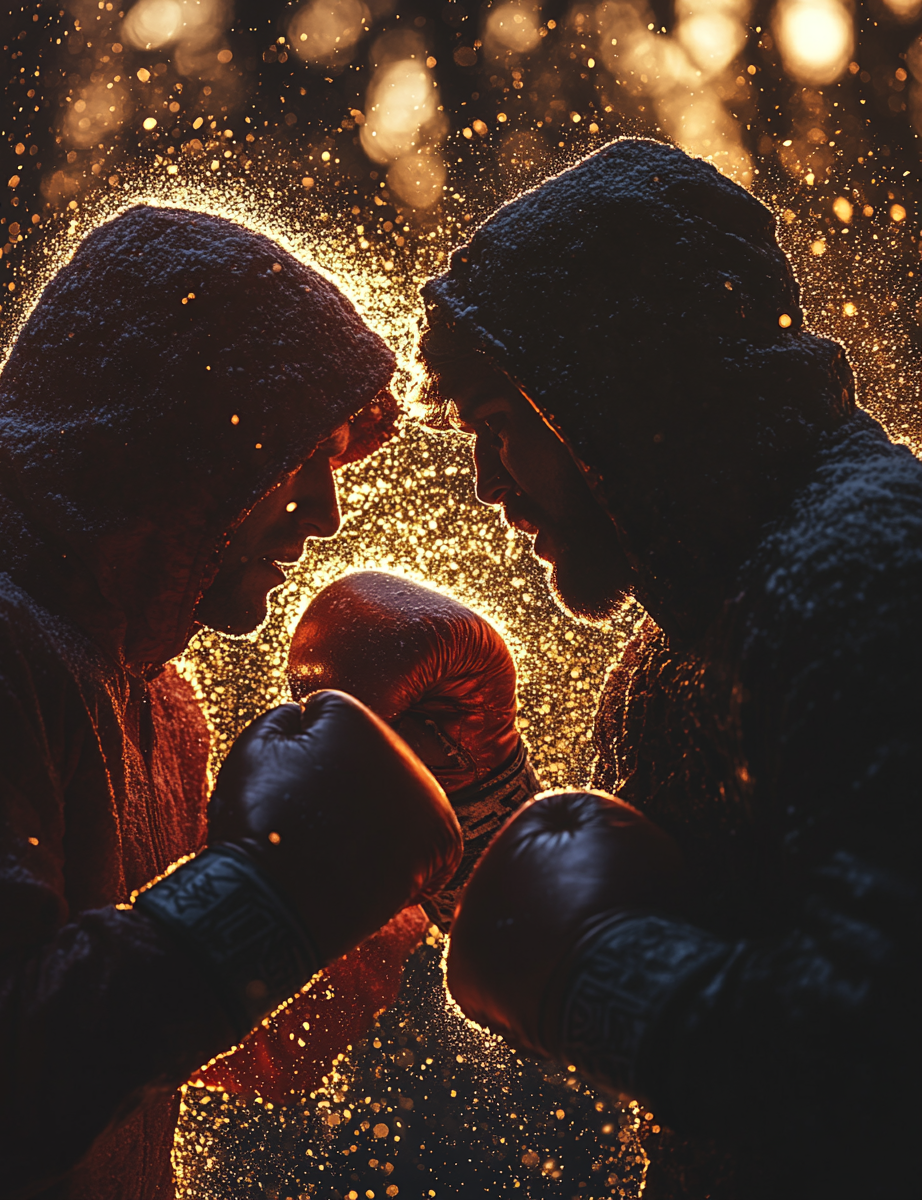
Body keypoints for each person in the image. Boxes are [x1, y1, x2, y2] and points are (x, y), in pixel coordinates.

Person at [298, 139, 922, 1199]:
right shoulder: (680, 633)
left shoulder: (865, 573)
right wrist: (481, 818)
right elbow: (663, 933)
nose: (491, 489)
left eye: (502, 427)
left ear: (618, 403)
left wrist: (596, 979)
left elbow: (880, 1048)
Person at [0, 203, 463, 1200]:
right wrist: (271, 889)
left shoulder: (152, 691)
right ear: (182, 437)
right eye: (296, 456)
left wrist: (362, 877)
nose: (324, 511)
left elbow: (184, 1043)